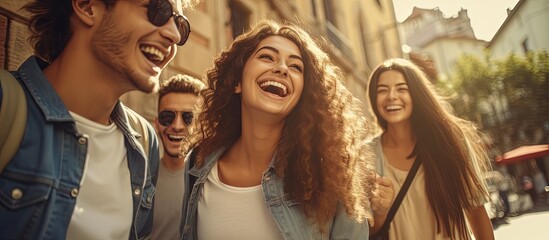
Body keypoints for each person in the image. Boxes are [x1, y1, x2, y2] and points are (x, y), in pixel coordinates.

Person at [0, 0, 197, 239]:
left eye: (181, 25)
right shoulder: (6, 107)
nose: (174, 35)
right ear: (87, 6)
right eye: (158, 10)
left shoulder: (144, 142)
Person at [180, 20, 376, 239]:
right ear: (237, 81)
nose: (282, 69)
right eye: (267, 57)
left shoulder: (333, 177)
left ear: (303, 95)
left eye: (295, 67)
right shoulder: (198, 163)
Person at [367, 58, 494, 239]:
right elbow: (367, 232)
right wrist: (380, 211)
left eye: (402, 88)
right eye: (382, 90)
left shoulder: (449, 140)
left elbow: (476, 210)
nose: (391, 96)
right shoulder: (366, 154)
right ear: (374, 98)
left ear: (416, 94)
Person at [151, 74, 205, 240]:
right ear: (156, 123)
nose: (177, 126)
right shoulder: (137, 178)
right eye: (168, 117)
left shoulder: (214, 180)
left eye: (188, 118)